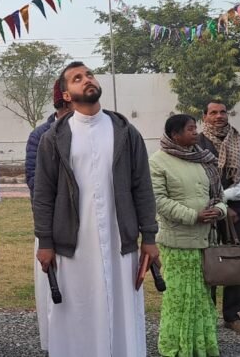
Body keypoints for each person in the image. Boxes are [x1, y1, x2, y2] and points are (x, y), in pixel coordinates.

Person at [31, 61, 158, 357]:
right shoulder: (54, 138)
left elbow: (142, 186)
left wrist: (149, 238)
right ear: (66, 95)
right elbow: (44, 194)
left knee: (121, 309)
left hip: (119, 240)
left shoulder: (125, 131)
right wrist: (46, 242)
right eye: (77, 78)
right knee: (77, 312)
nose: (87, 79)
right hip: (73, 244)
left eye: (88, 74)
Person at [151, 114, 226, 357]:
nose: (196, 132)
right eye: (190, 129)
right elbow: (159, 200)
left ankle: (200, 346)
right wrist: (194, 215)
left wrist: (219, 210)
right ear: (175, 135)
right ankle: (176, 347)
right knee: (179, 297)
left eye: (195, 128)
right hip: (176, 242)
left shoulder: (203, 159)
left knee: (202, 298)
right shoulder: (158, 162)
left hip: (205, 240)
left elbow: (219, 196)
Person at [199, 100, 240, 335]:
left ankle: (232, 316)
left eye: (222, 112)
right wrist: (218, 204)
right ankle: (207, 315)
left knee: (234, 259)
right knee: (207, 261)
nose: (219, 116)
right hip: (207, 210)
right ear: (204, 117)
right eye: (213, 112)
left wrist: (225, 198)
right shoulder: (196, 142)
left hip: (237, 211)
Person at [24, 82, 71, 352]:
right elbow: (35, 182)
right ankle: (55, 344)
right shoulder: (41, 135)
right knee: (54, 291)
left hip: (84, 226)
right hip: (52, 226)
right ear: (63, 104)